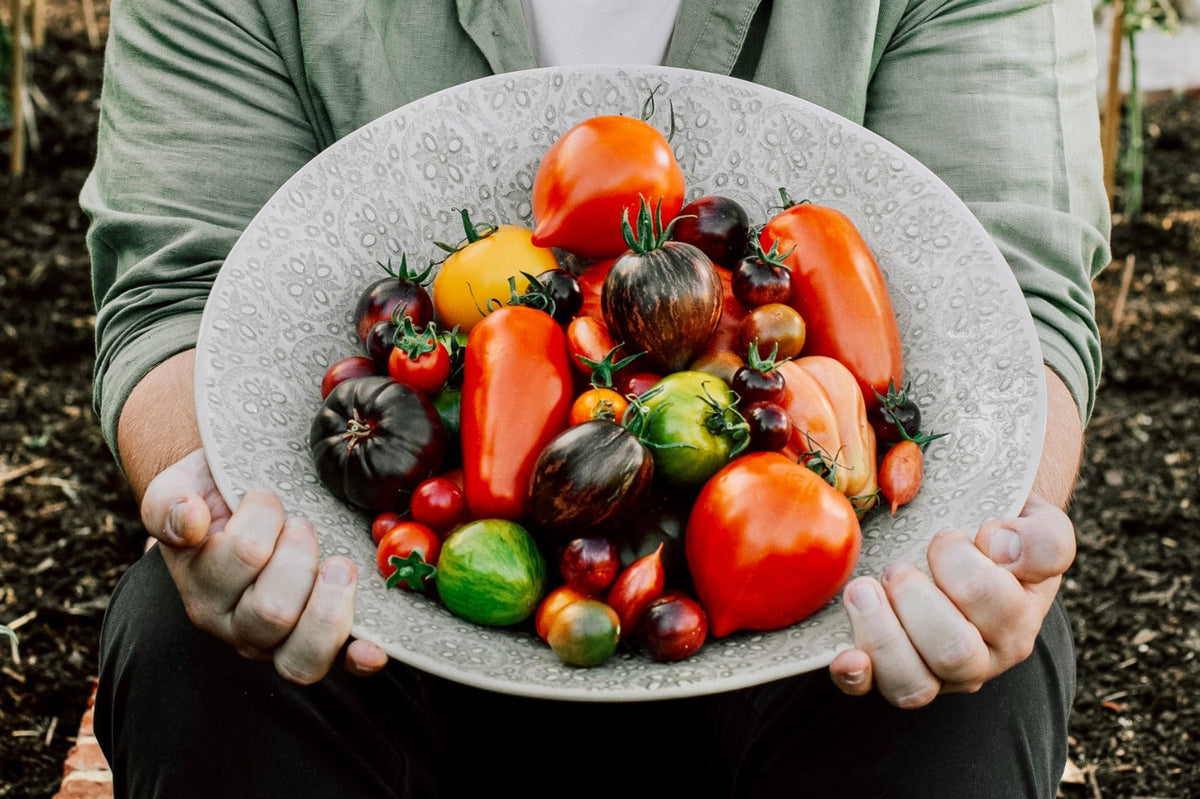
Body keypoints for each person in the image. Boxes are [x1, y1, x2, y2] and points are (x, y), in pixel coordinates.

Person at [82, 0, 1109, 796]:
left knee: (960, 687)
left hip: (812, 626)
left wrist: (986, 551)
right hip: (379, 619)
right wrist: (228, 523)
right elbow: (180, 290)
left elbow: (1014, 302)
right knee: (193, 654)